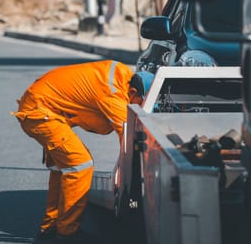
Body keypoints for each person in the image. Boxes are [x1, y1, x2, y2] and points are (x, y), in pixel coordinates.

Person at [11, 60, 154, 242]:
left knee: (62, 169)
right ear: (133, 93)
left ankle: (50, 228)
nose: (140, 110)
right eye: (140, 105)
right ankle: (68, 233)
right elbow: (128, 138)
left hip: (42, 104)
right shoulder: (113, 95)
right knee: (80, 164)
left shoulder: (121, 77)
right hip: (40, 111)